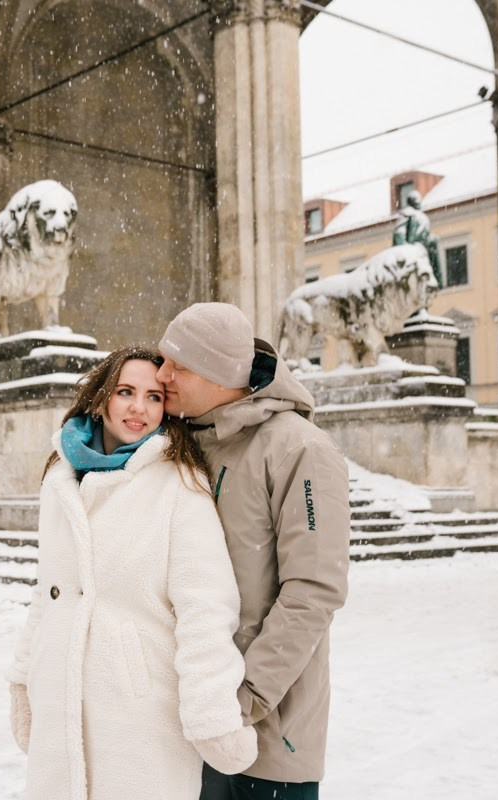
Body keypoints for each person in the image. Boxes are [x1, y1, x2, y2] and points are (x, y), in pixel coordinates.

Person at [7, 346, 258, 800]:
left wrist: (210, 715)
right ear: (101, 399)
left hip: (139, 719)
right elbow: (49, 594)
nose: (139, 408)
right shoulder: (60, 480)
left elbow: (206, 609)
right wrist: (24, 679)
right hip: (60, 707)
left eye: (154, 397)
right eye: (125, 392)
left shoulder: (179, 485)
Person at [156, 303, 350, 800]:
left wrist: (241, 701)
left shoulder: (299, 450)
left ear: (220, 374)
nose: (163, 375)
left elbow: (313, 592)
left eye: (178, 365)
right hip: (184, 730)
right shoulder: (181, 442)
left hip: (267, 740)